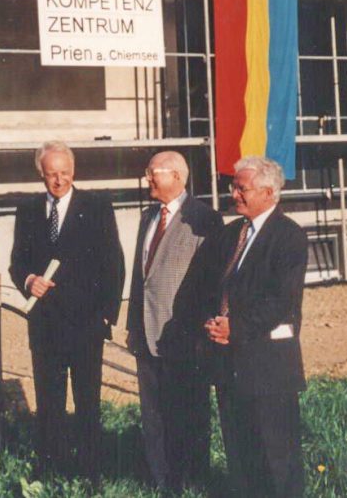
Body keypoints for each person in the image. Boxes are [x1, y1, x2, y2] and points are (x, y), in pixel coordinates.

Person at [9, 140, 125, 482]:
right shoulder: (28, 210)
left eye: (65, 173)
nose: (59, 180)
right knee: (49, 402)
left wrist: (106, 315)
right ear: (41, 174)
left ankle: (91, 472)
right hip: (45, 324)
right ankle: (51, 470)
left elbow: (114, 264)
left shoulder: (97, 207)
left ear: (74, 171)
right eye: (52, 174)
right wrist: (29, 280)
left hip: (86, 324)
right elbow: (18, 262)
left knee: (88, 402)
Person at [204, 156, 308, 498]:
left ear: (268, 193)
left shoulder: (289, 237)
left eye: (242, 188)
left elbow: (281, 301)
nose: (234, 194)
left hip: (268, 366)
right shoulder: (231, 233)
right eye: (233, 186)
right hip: (230, 363)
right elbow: (215, 286)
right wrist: (212, 321)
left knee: (277, 457)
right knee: (240, 453)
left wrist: (235, 327)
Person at [125, 151, 223, 490]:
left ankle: (193, 481)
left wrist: (201, 334)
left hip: (185, 338)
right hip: (147, 334)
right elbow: (141, 278)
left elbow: (211, 283)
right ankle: (161, 481)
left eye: (154, 172)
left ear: (178, 177)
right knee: (154, 415)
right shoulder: (147, 217)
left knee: (188, 413)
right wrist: (133, 325)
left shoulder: (204, 219)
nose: (147, 178)